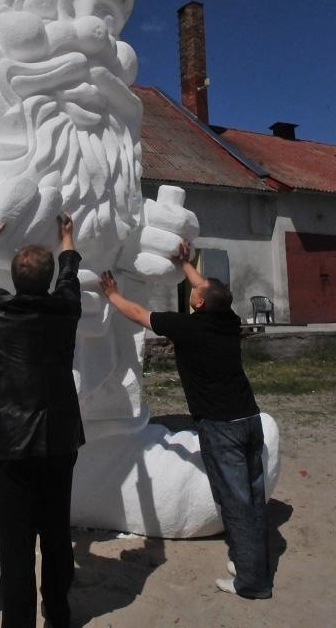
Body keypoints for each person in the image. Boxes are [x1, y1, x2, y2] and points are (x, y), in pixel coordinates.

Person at [99, 240, 272, 600]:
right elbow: (212, 291)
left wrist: (112, 295)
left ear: (198, 303)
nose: (194, 288)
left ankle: (251, 583)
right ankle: (247, 560)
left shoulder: (187, 327)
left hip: (221, 426)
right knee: (252, 497)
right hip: (248, 418)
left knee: (235, 502)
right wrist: (185, 264)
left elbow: (139, 314)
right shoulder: (228, 320)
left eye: (196, 290)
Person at [0, 203, 84, 628]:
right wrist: (67, 242)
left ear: (13, 279)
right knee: (55, 532)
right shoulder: (65, 308)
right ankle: (59, 614)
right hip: (57, 440)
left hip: (7, 443)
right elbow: (69, 279)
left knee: (15, 544)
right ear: (46, 281)